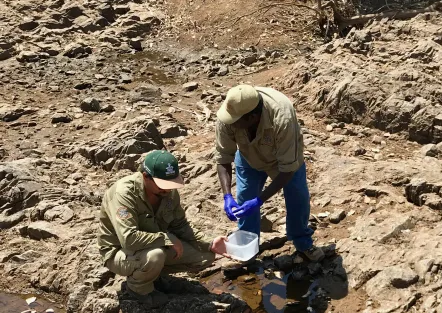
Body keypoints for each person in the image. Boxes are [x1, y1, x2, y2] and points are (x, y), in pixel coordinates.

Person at [97, 150, 229, 308]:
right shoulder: (123, 194)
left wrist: (209, 242)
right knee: (156, 256)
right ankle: (139, 289)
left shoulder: (169, 194)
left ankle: (155, 276)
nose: (167, 190)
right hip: (119, 252)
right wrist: (167, 239)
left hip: (153, 245)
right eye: (163, 185)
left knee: (205, 255)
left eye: (170, 184)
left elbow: (180, 225)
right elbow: (128, 240)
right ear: (146, 176)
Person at [215, 84, 325, 262]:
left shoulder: (282, 117)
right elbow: (222, 158)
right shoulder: (229, 115)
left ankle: (303, 243)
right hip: (248, 157)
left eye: (236, 122)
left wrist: (260, 200)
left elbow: (288, 169)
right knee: (244, 200)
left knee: (298, 197)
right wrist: (227, 195)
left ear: (252, 117)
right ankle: (247, 249)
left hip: (283, 159)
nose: (230, 123)